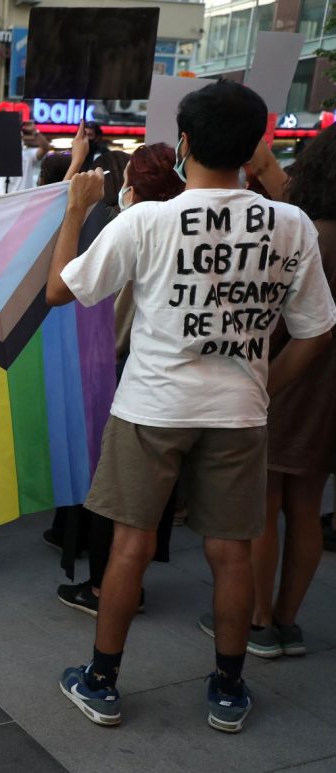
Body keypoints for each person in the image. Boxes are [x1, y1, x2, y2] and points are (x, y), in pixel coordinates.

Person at [47, 81, 336, 734]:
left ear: (183, 144)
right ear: (256, 146)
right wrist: (265, 384)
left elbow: (57, 293)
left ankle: (101, 682)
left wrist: (74, 209)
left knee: (129, 547)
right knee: (232, 552)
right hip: (238, 412)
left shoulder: (147, 220)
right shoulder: (288, 222)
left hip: (150, 406)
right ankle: (228, 692)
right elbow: (317, 331)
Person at [207, 126, 336, 659]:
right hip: (330, 393)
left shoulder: (303, 232)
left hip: (284, 376)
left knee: (263, 504)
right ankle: (287, 619)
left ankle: (257, 621)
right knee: (307, 505)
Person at [54, 143, 184, 617]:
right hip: (175, 384)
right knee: (151, 500)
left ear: (134, 189)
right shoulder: (184, 227)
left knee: (114, 494)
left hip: (126, 376)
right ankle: (130, 583)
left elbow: (59, 289)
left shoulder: (134, 228)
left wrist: (75, 206)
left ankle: (106, 592)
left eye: (127, 181)